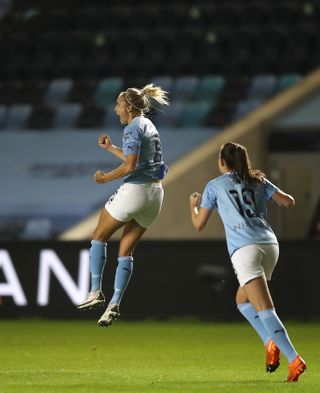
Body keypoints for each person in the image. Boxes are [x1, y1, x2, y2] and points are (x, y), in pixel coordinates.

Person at [189, 142, 307, 382]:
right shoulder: (258, 181)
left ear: (222, 161)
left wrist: (193, 206)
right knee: (242, 300)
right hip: (270, 246)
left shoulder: (214, 186)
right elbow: (289, 201)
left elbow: (199, 224)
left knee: (264, 307)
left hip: (246, 249)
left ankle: (295, 359)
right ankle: (270, 342)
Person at [77, 83, 169, 327]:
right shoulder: (147, 124)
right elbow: (136, 161)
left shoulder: (131, 128)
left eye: (118, 104)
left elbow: (130, 167)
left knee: (98, 236)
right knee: (125, 251)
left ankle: (95, 291)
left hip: (136, 190)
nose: (116, 109)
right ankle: (114, 304)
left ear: (128, 106)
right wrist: (110, 149)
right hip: (155, 194)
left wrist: (104, 178)